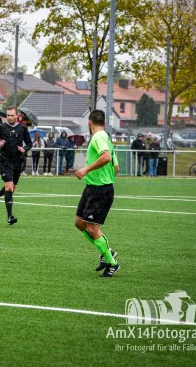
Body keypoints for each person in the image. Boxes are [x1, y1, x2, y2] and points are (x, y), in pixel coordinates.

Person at [74, 109, 120, 278]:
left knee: (93, 228)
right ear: (105, 123)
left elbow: (106, 157)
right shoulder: (106, 137)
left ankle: (111, 263)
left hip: (100, 189)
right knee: (79, 223)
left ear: (89, 123)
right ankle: (107, 251)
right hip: (92, 188)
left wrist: (86, 169)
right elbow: (116, 167)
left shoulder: (99, 137)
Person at [0, 106, 33, 225]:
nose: (9, 117)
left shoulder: (22, 128)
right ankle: (10, 217)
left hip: (18, 161)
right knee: (9, 187)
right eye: (8, 115)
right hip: (5, 160)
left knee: (12, 188)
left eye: (12, 115)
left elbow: (29, 143)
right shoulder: (1, 127)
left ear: (17, 116)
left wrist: (24, 149)